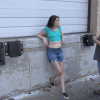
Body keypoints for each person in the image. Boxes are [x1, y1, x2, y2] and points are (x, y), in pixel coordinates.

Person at [36, 15, 69, 99]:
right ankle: (52, 80)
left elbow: (61, 33)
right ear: (52, 22)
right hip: (52, 51)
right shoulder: (47, 29)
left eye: (59, 20)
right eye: (57, 21)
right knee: (59, 70)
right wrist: (43, 39)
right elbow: (38, 34)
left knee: (62, 72)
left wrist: (63, 37)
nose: (58, 22)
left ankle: (63, 90)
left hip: (60, 51)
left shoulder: (59, 28)